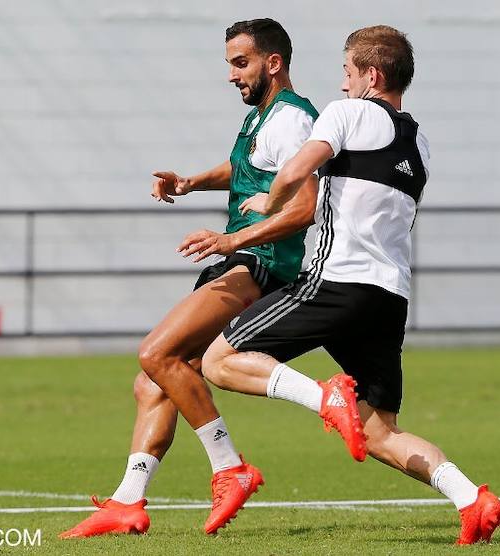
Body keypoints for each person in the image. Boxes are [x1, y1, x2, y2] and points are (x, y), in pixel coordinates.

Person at [156, 25, 500, 545]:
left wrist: (269, 201)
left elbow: (300, 165)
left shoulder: (347, 113)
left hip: (336, 280)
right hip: (389, 298)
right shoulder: (420, 141)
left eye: (347, 73)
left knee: (217, 361)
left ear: (372, 75)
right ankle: (470, 498)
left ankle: (325, 398)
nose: (341, 85)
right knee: (380, 431)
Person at [60, 18, 320, 539]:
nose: (231, 75)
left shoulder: (292, 118)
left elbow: (307, 206)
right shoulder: (263, 118)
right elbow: (245, 168)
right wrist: (191, 181)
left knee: (157, 355)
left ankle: (230, 467)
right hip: (241, 258)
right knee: (152, 381)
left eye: (240, 63)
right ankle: (127, 502)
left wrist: (232, 241)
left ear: (274, 63)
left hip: (259, 262)